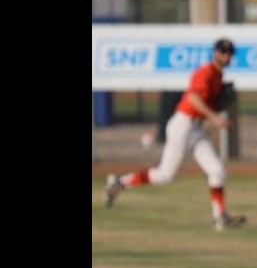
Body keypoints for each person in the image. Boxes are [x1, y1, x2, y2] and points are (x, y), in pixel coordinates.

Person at [103, 38, 246, 232]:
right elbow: (193, 98)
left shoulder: (218, 76)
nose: (227, 56)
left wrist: (210, 117)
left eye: (230, 52)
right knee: (164, 176)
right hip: (183, 125)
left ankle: (219, 217)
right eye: (223, 51)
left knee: (216, 171)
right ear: (215, 52)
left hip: (195, 128)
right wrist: (214, 117)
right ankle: (119, 182)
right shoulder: (205, 72)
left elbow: (204, 104)